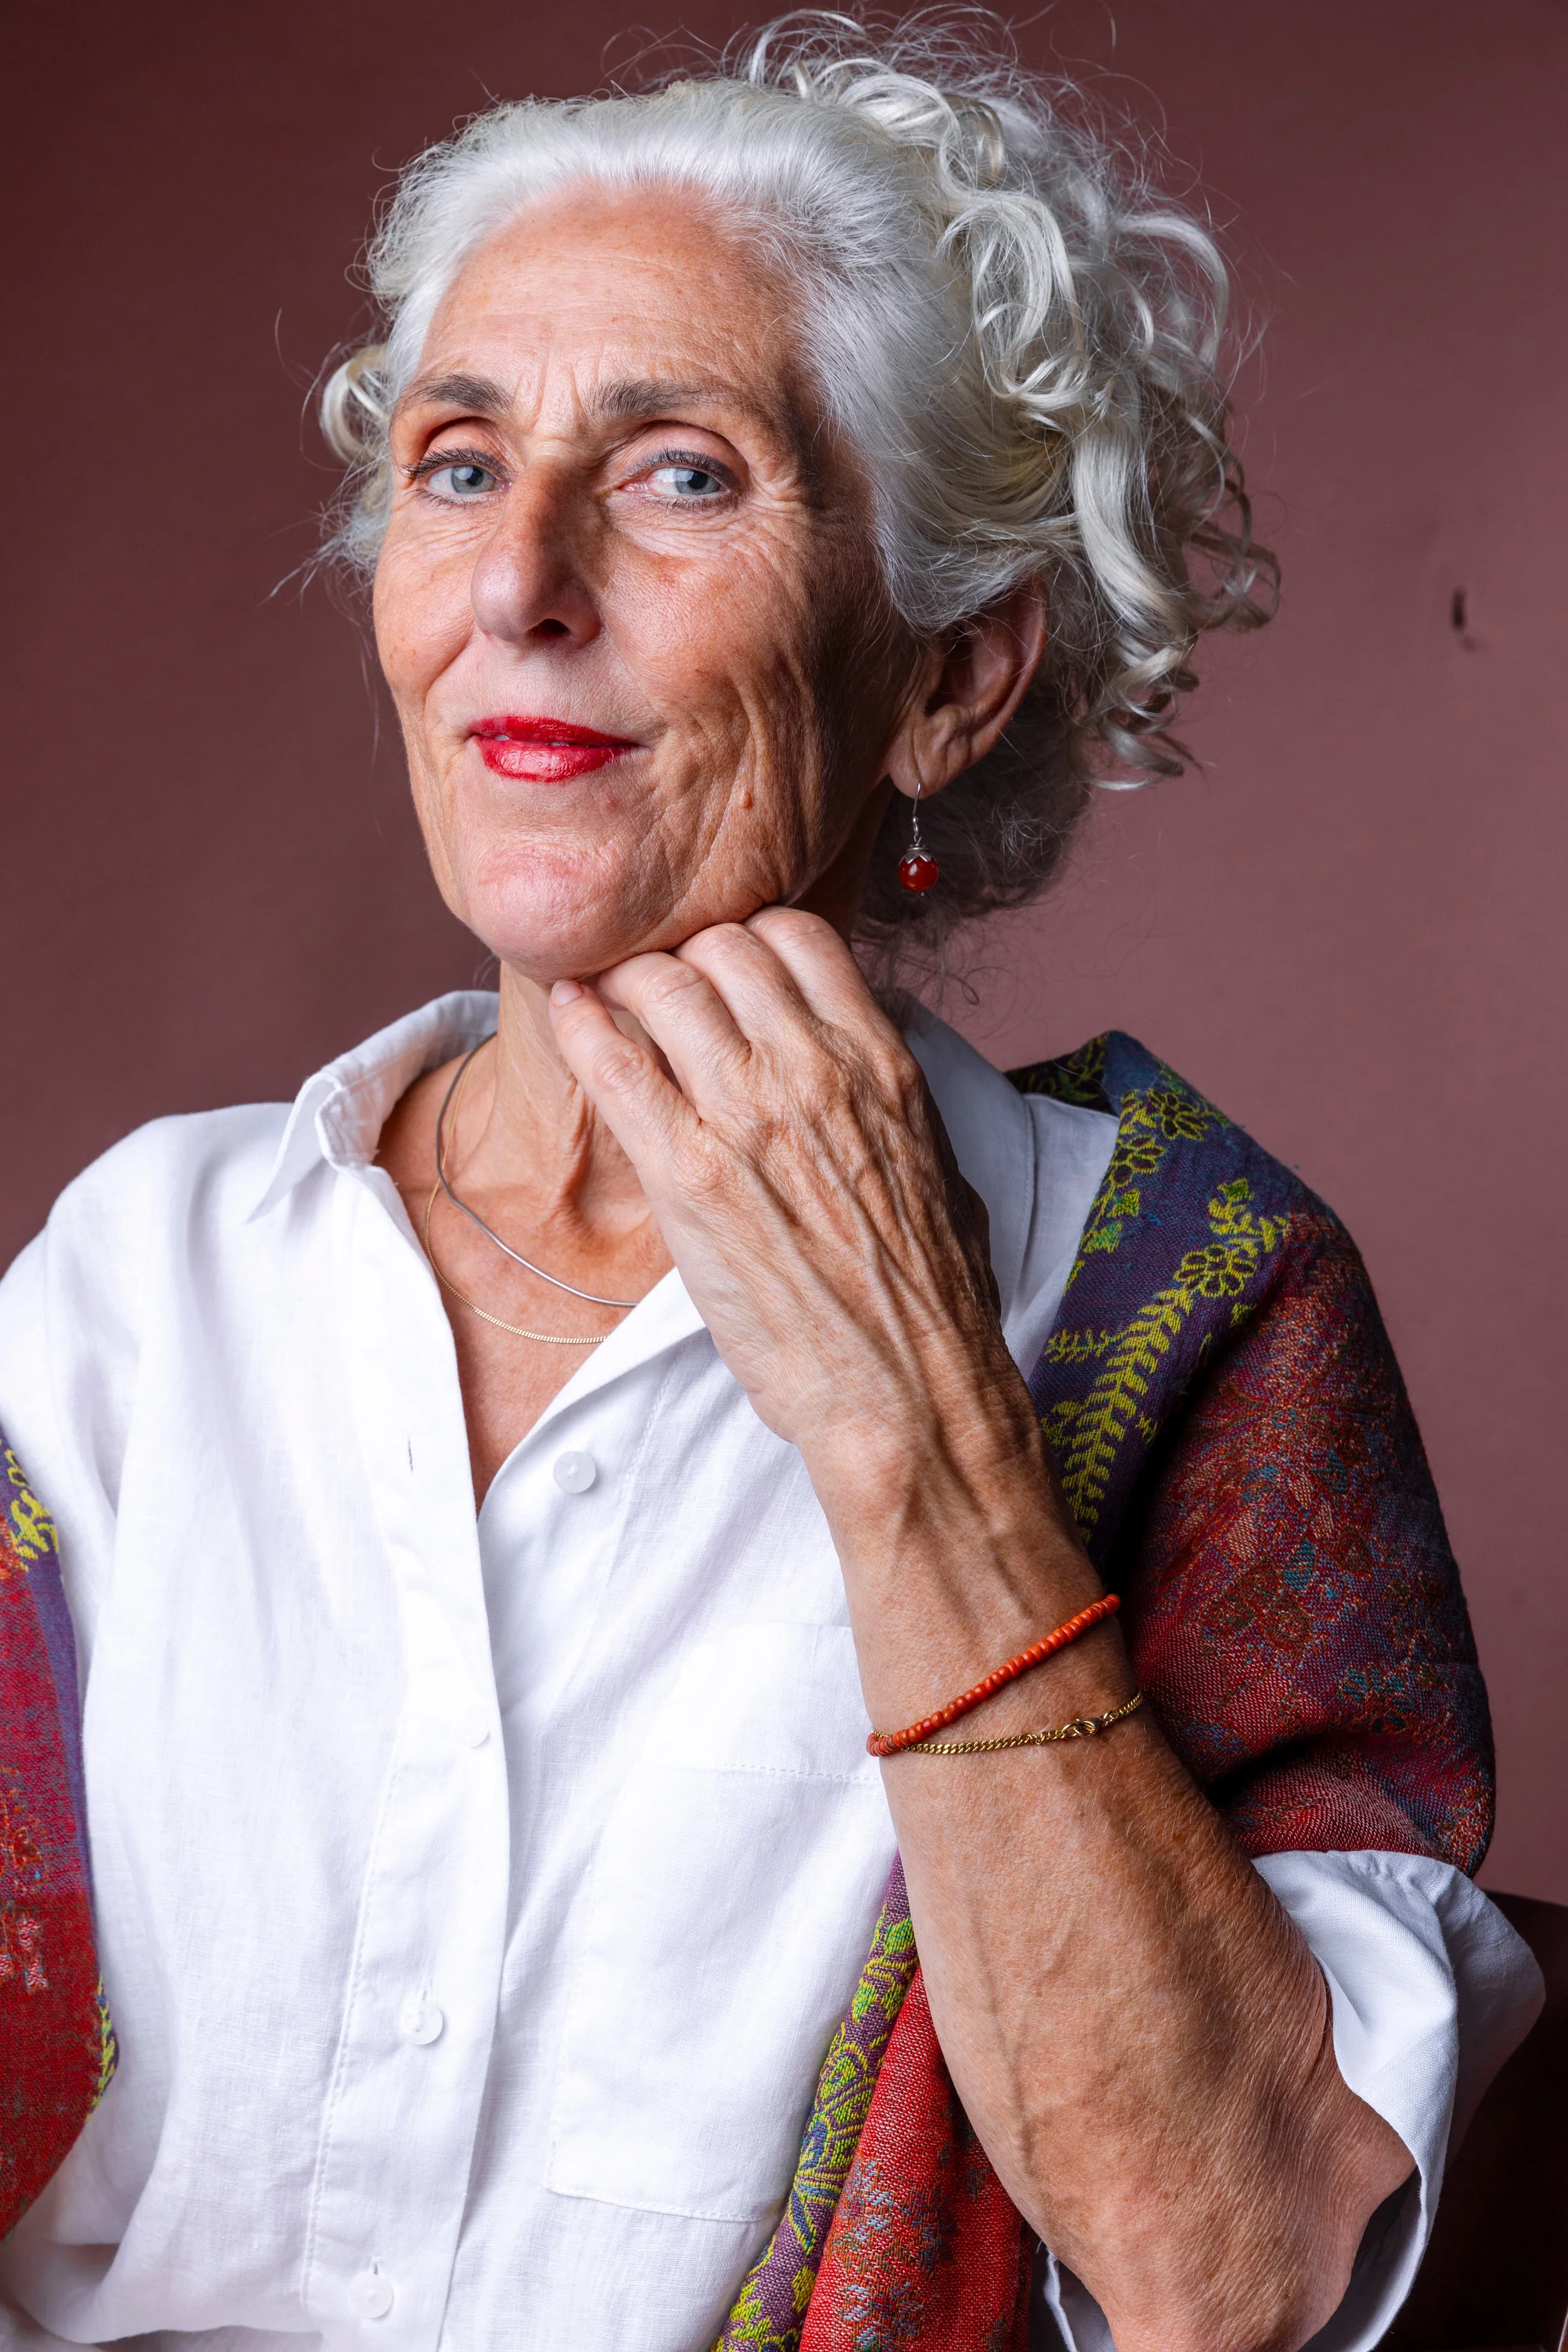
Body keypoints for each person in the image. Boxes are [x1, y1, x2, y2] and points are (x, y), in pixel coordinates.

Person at [0, 18, 1542, 2352]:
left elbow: (1231, 2272)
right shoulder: (150, 1272)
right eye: (454, 464)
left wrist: (919, 1429)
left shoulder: (1176, 1309)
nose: (517, 581)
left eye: (682, 477)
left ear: (947, 672)